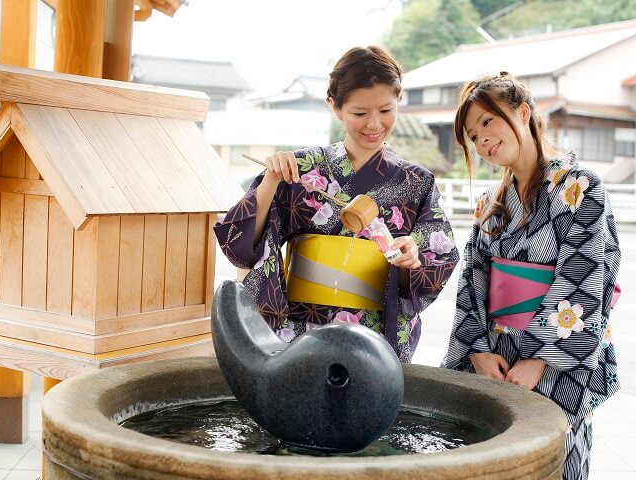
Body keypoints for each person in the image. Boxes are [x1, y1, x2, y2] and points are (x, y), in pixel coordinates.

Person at [214, 46, 459, 362]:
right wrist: (272, 180)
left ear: (399, 101)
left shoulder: (417, 182)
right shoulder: (300, 169)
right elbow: (242, 247)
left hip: (377, 334)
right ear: (335, 106)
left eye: (386, 110)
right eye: (360, 113)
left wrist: (411, 256)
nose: (374, 124)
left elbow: (437, 259)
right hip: (301, 331)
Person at [442, 72, 621, 479]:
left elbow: (586, 275)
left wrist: (540, 359)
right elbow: (473, 279)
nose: (482, 139)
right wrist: (477, 351)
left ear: (523, 112)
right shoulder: (491, 203)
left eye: (488, 122)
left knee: (554, 461)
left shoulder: (580, 188)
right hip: (496, 360)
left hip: (556, 364)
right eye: (473, 135)